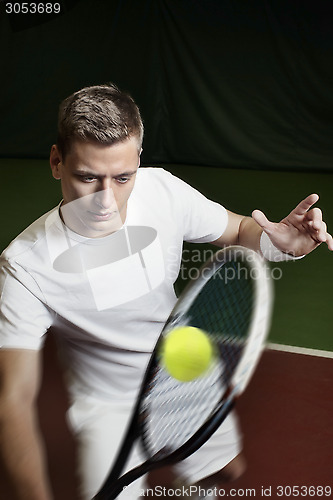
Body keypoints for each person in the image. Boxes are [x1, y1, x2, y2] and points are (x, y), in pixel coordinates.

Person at [0, 84, 332, 500]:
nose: (106, 199)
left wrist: (280, 244)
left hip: (180, 368)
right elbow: (12, 400)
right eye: (87, 176)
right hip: (109, 402)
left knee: (226, 471)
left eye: (122, 177)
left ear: (139, 159)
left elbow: (237, 230)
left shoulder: (161, 191)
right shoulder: (25, 265)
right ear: (56, 162)